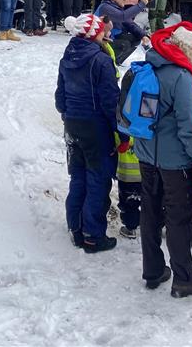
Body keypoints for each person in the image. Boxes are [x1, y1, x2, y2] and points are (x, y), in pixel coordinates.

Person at [131, 22, 192, 297]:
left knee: (150, 213)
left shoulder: (150, 65)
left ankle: (153, 271)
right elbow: (189, 127)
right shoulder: (182, 77)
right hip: (175, 162)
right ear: (185, 47)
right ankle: (184, 278)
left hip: (145, 155)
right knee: (179, 219)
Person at [55, 13, 120, 253]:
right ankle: (93, 234)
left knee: (78, 176)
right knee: (97, 178)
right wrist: (120, 131)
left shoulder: (67, 56)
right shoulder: (100, 60)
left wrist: (67, 113)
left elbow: (60, 97)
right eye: (102, 31)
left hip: (72, 124)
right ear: (94, 34)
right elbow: (110, 101)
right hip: (95, 127)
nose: (106, 34)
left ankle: (76, 227)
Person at [95, 0, 151, 64]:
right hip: (98, 41)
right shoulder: (105, 7)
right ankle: (107, 61)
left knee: (135, 38)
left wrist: (143, 35)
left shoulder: (116, 8)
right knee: (125, 44)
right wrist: (141, 4)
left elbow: (130, 23)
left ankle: (117, 61)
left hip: (111, 37)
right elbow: (122, 16)